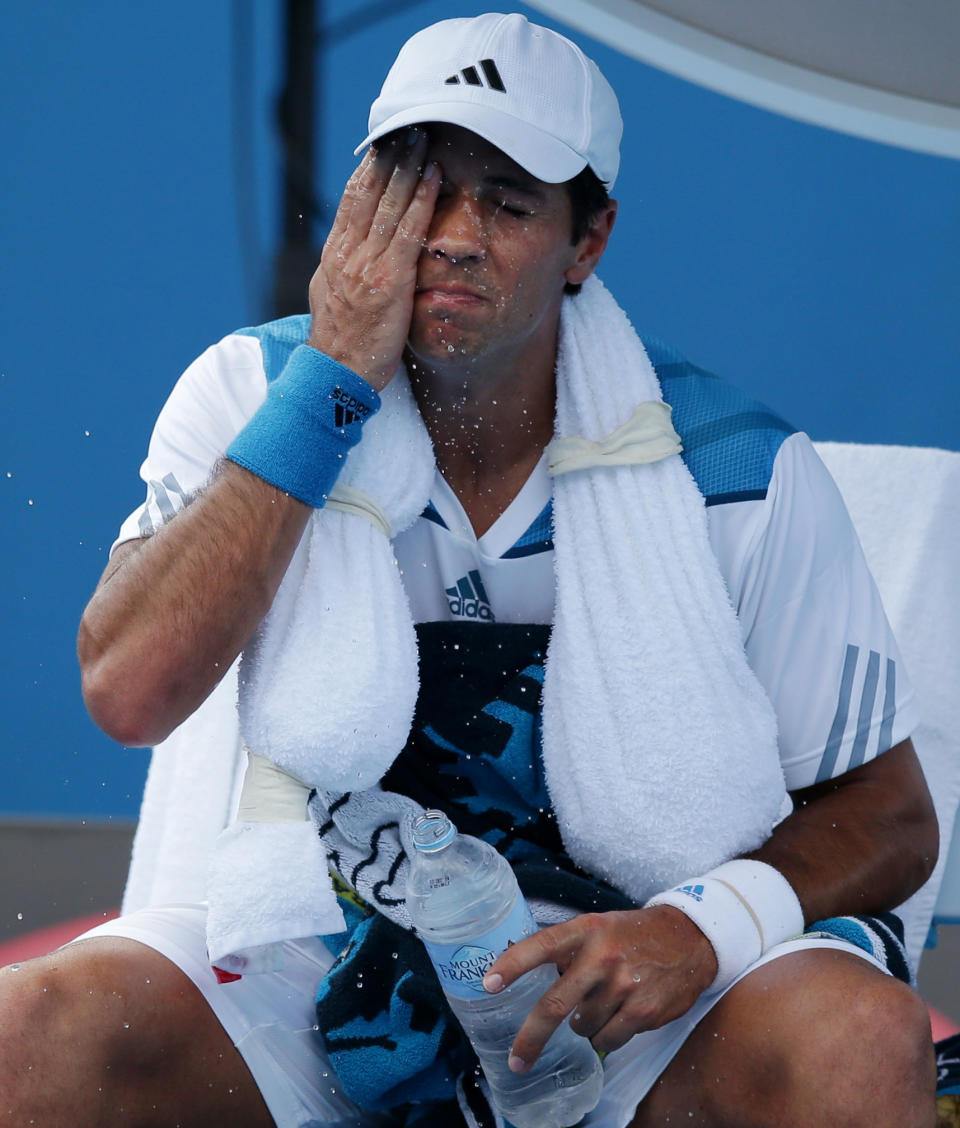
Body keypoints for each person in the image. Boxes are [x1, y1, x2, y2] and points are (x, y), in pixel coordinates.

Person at [0, 12, 940, 1128]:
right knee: (29, 1035)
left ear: (589, 241)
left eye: (506, 202)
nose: (449, 235)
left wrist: (702, 926)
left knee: (859, 1040)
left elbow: (891, 817)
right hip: (320, 957)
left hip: (624, 978)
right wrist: (329, 385)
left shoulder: (738, 469)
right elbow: (127, 692)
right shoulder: (256, 395)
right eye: (419, 190)